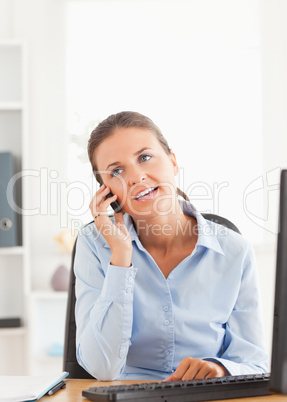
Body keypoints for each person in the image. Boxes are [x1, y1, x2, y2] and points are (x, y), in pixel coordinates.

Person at [74, 111, 269, 381]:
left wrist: (220, 369)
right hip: (128, 397)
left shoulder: (235, 251)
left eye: (145, 157)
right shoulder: (93, 246)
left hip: (206, 396)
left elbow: (254, 363)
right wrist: (120, 257)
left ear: (173, 162)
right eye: (116, 171)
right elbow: (101, 369)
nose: (136, 177)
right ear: (106, 192)